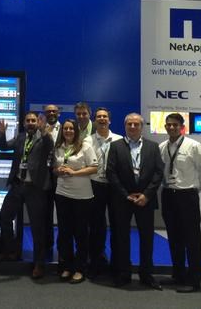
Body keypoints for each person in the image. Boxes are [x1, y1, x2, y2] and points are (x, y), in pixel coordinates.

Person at [106, 113, 164, 289]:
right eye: (129, 124)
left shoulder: (153, 147)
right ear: (125, 126)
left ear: (141, 127)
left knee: (147, 238)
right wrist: (125, 194)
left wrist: (147, 195)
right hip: (123, 199)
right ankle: (123, 274)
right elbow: (111, 173)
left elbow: (158, 173)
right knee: (122, 237)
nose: (132, 127)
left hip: (145, 200)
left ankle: (146, 275)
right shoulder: (115, 146)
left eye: (136, 124)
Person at [0, 111, 54, 279]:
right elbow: (4, 147)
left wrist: (44, 131)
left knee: (37, 227)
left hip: (35, 187)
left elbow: (50, 146)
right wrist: (1, 133)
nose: (30, 123)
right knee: (4, 216)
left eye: (33, 120)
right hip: (18, 184)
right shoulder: (20, 137)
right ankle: (10, 252)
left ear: (38, 122)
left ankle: (39, 264)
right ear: (23, 123)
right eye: (28, 120)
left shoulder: (44, 138)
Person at [159, 113, 201, 293]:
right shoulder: (162, 147)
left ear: (182, 127)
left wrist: (193, 190)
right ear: (165, 127)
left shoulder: (193, 146)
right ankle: (178, 275)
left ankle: (194, 280)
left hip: (187, 196)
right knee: (174, 238)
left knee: (192, 239)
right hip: (168, 196)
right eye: (169, 125)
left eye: (175, 125)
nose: (171, 127)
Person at [53, 119, 99, 284]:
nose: (68, 131)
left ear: (76, 131)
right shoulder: (59, 147)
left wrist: (74, 172)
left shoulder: (85, 146)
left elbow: (94, 167)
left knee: (80, 233)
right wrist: (58, 170)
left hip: (82, 196)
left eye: (71, 128)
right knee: (64, 233)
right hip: (62, 193)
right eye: (65, 128)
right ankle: (67, 266)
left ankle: (80, 269)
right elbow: (54, 168)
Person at [88, 107, 122, 277]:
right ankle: (97, 260)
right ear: (95, 121)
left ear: (110, 120)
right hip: (95, 185)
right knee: (96, 225)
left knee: (117, 224)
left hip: (115, 186)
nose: (102, 119)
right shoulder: (87, 140)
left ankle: (117, 263)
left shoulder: (119, 140)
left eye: (104, 116)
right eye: (99, 116)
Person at [43, 104, 60, 258]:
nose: (51, 113)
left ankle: (62, 247)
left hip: (61, 175)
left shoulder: (66, 128)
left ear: (58, 113)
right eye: (48, 111)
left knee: (63, 213)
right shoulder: (40, 129)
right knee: (46, 212)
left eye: (54, 111)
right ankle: (47, 245)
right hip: (44, 175)